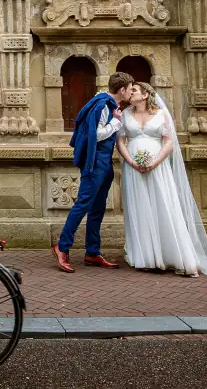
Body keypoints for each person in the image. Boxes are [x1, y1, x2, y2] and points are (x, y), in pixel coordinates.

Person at [117, 82, 207, 277]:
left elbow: (168, 142)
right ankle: (146, 256)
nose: (130, 93)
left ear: (145, 95)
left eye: (134, 90)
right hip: (133, 168)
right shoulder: (125, 114)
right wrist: (131, 161)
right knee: (139, 208)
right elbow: (120, 141)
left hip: (158, 167)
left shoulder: (161, 114)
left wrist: (155, 162)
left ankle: (172, 254)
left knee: (163, 206)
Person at [53, 71, 135, 273]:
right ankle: (62, 247)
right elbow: (95, 135)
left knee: (98, 208)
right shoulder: (103, 106)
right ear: (122, 90)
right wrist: (115, 122)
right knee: (83, 204)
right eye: (130, 89)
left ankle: (92, 252)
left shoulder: (108, 104)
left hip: (105, 164)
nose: (131, 92)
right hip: (94, 164)